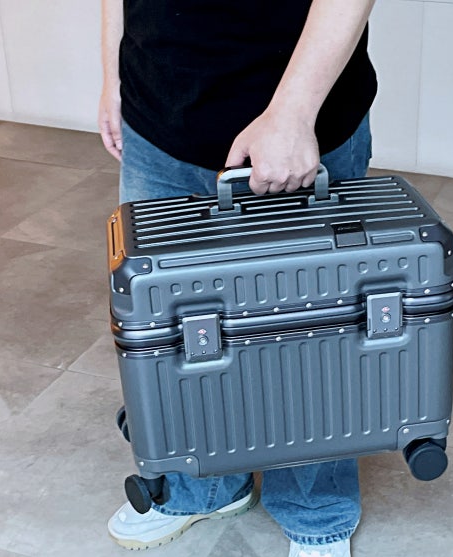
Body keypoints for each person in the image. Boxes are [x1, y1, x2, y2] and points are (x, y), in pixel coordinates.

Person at [98, 2, 377, 556]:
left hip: (297, 121)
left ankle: (316, 511)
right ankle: (199, 487)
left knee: (308, 341)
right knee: (175, 335)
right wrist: (113, 75)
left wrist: (294, 112)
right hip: (158, 109)